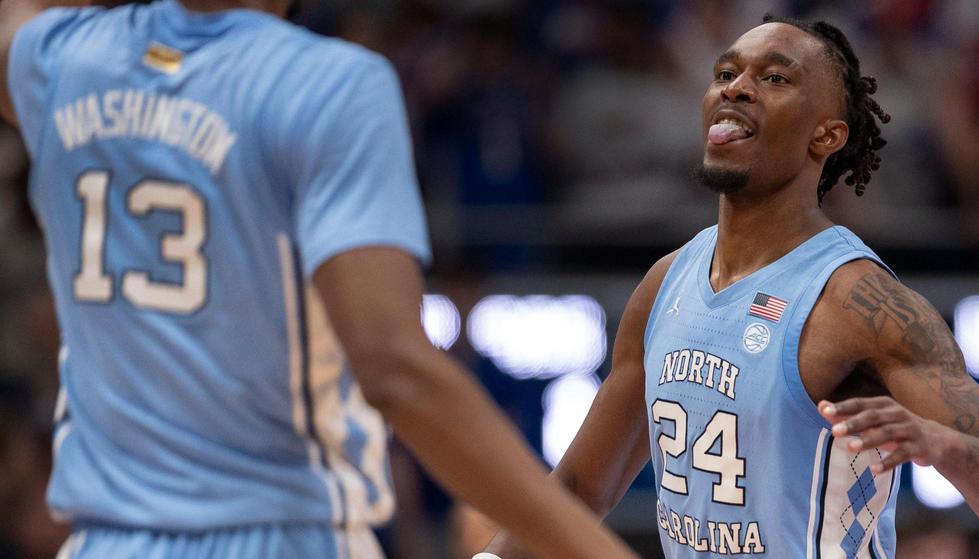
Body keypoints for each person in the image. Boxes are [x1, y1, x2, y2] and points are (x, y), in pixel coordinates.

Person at [0, 1, 637, 557]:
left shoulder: (59, 61)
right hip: (281, 531)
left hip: (103, 541)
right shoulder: (328, 84)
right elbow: (394, 370)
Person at [483, 14, 979, 559]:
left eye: (774, 77)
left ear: (827, 135)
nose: (735, 89)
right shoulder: (665, 282)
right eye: (726, 74)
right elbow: (582, 487)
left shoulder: (861, 302)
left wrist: (942, 444)